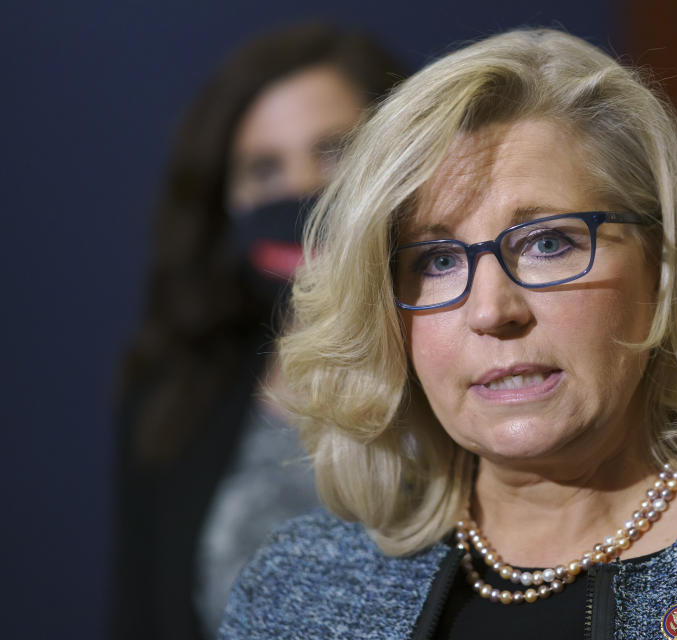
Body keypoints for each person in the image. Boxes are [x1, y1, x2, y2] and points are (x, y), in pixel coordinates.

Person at [219, 28, 677, 639]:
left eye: (549, 244)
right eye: (438, 261)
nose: (493, 309)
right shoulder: (298, 593)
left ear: (662, 268)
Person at [112, 23, 404, 640]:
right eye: (264, 169)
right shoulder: (170, 401)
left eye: (332, 152)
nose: (300, 192)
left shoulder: (471, 362)